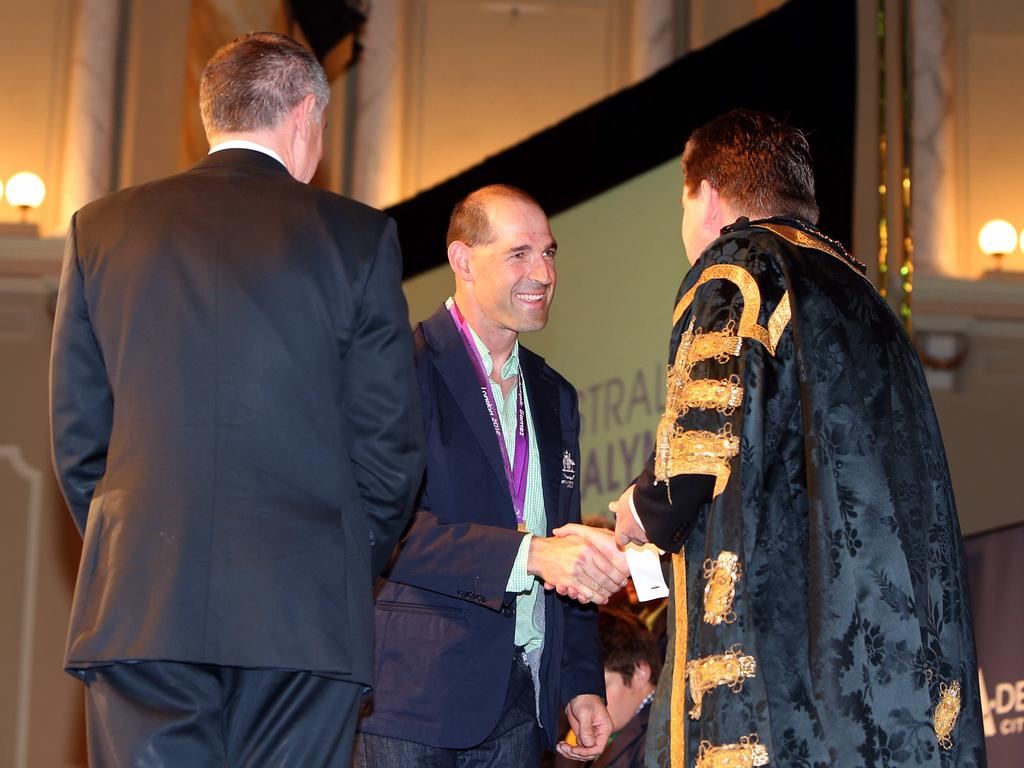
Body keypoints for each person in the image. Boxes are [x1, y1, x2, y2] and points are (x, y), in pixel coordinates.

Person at [49, 32, 423, 766]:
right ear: (306, 114)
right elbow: (389, 452)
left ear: (211, 114)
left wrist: (140, 542)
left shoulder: (103, 228)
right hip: (304, 616)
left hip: (142, 608)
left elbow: (79, 441)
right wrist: (337, 554)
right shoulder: (357, 237)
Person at [610, 110, 986, 767]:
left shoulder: (739, 265)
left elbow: (701, 454)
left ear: (705, 196)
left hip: (775, 668)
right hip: (868, 669)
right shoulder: (860, 293)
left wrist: (637, 511)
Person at [355, 184, 628, 766]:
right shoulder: (402, 368)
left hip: (521, 707)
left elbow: (565, 548)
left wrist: (580, 682)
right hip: (415, 704)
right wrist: (527, 555)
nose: (544, 272)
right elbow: (383, 531)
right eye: (519, 254)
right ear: (462, 260)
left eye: (550, 252)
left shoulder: (556, 397)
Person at [555, 607, 661, 768]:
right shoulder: (631, 729)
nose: (592, 703)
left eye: (602, 688)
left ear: (639, 673)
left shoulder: (660, 736)